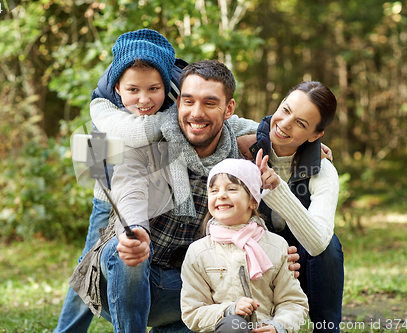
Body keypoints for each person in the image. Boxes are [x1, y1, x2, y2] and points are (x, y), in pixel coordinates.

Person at [69, 60, 303, 332]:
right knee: (127, 251)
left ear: (229, 109)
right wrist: (134, 230)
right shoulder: (146, 142)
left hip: (186, 290)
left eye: (209, 103)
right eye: (188, 101)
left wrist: (276, 254)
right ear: (178, 102)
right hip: (123, 281)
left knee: (230, 289)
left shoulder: (238, 159)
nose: (196, 113)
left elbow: (255, 209)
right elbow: (128, 187)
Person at [54, 28, 182, 333]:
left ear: (166, 82)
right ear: (117, 87)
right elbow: (135, 132)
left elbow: (222, 117)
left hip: (154, 189)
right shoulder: (101, 105)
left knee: (141, 255)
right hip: (108, 188)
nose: (143, 99)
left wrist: (264, 131)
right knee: (87, 263)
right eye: (133, 90)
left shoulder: (180, 92)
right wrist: (180, 118)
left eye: (154, 89)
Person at [246, 81, 344, 333]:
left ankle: (327, 328)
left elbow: (318, 243)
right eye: (285, 110)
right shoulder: (243, 150)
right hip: (253, 253)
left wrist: (277, 189)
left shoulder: (323, 171)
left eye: (301, 123)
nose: (285, 123)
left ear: (315, 136)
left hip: (300, 260)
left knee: (330, 247)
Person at [181, 157, 309, 333]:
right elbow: (192, 311)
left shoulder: (276, 246)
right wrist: (228, 310)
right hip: (225, 328)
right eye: (214, 190)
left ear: (253, 201)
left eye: (232, 189)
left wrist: (279, 326)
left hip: (266, 327)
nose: (221, 195)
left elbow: (293, 302)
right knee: (234, 325)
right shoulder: (199, 252)